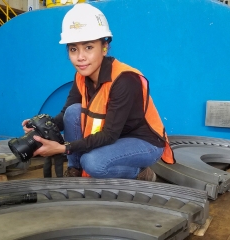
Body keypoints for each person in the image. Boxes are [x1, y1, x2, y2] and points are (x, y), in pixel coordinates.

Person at [23, 3, 175, 181]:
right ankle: (75, 170)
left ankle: (141, 173)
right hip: (116, 137)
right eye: (73, 49)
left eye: (88, 47)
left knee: (94, 163)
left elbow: (109, 135)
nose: (80, 57)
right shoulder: (81, 76)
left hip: (144, 142)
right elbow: (66, 115)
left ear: (104, 47)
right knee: (72, 113)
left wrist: (62, 148)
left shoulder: (124, 79)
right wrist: (41, 129)